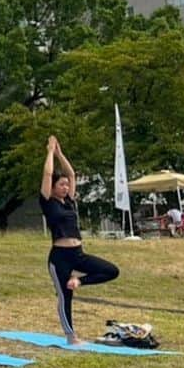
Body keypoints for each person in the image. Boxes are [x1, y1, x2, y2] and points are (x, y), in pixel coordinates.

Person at [39, 135, 119, 345]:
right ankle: (70, 336)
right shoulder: (48, 202)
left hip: (78, 254)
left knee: (111, 270)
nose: (66, 187)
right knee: (65, 297)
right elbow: (47, 173)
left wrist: (60, 154)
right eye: (61, 185)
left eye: (67, 185)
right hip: (60, 258)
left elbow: (72, 174)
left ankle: (79, 281)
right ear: (54, 187)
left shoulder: (69, 202)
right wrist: (49, 152)